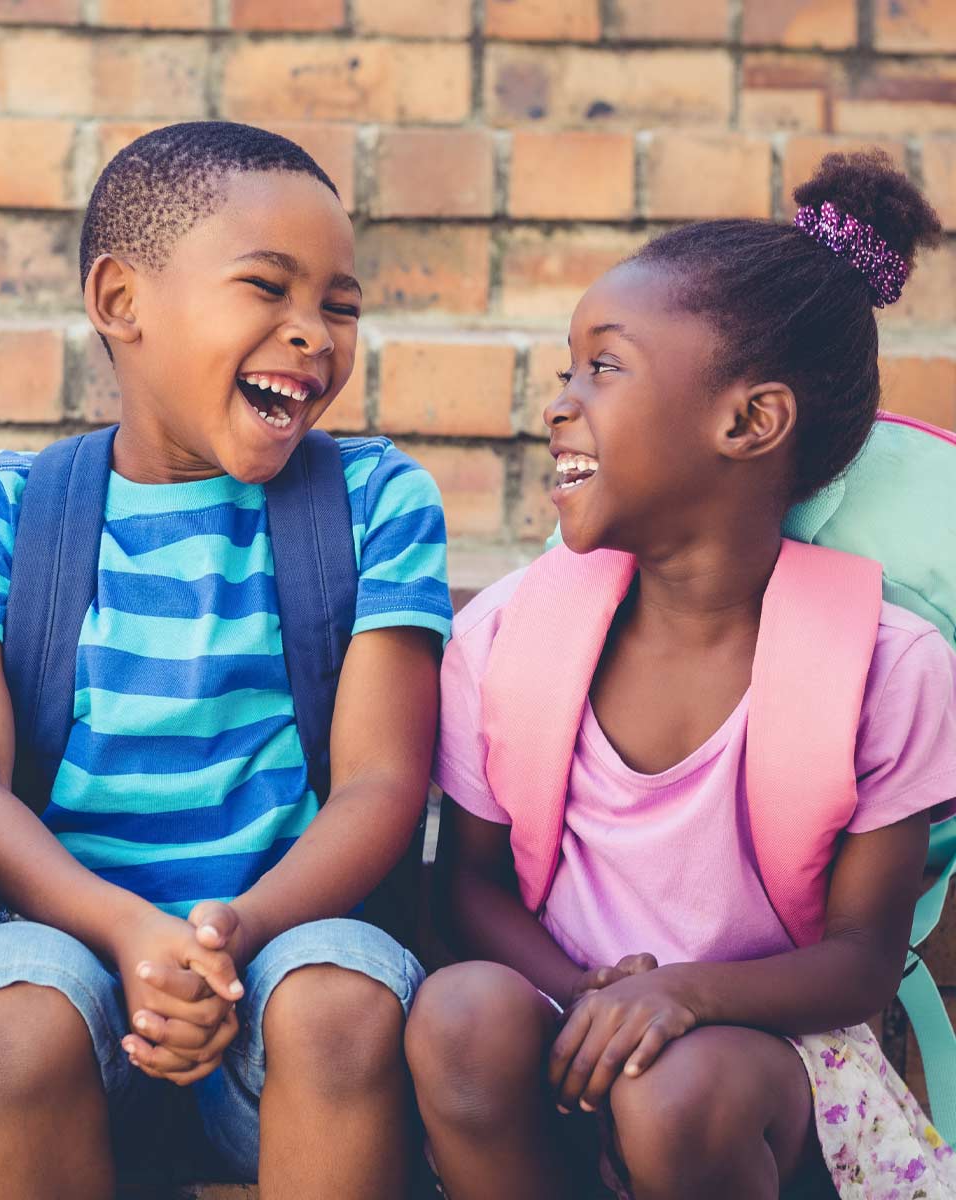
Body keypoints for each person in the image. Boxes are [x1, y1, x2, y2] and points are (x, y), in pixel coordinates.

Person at [0, 121, 452, 1200]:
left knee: (338, 1006)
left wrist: (235, 934)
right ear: (119, 303)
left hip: (287, 964)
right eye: (267, 289)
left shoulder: (378, 501)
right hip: (69, 962)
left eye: (339, 305)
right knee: (5, 1024)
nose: (313, 335)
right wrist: (127, 935)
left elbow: (385, 782)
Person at [407, 150, 956, 1200]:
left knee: (677, 1091)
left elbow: (860, 960)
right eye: (567, 369)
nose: (560, 404)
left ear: (748, 422)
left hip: (766, 1057)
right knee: (459, 1013)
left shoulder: (890, 666)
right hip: (557, 1020)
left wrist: (685, 1000)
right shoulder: (509, 636)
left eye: (602, 368)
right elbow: (466, 884)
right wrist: (588, 999)